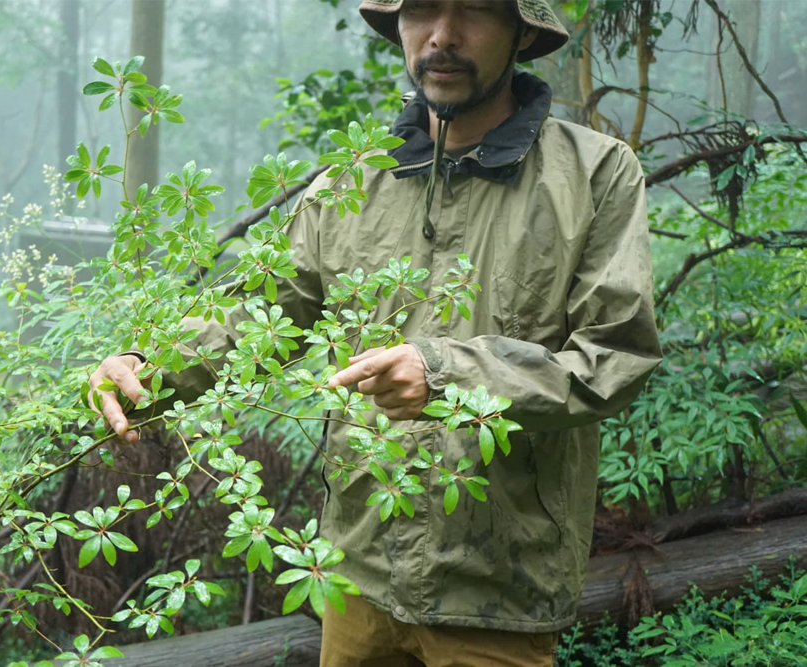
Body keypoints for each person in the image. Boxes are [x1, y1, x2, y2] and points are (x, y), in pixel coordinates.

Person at [90, 0, 663, 665]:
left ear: (522, 31)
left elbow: (614, 355)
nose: (442, 36)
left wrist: (447, 374)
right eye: (422, 9)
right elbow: (260, 315)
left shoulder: (593, 175)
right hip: (355, 583)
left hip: (498, 595)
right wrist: (145, 365)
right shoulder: (351, 182)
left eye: (474, 11)